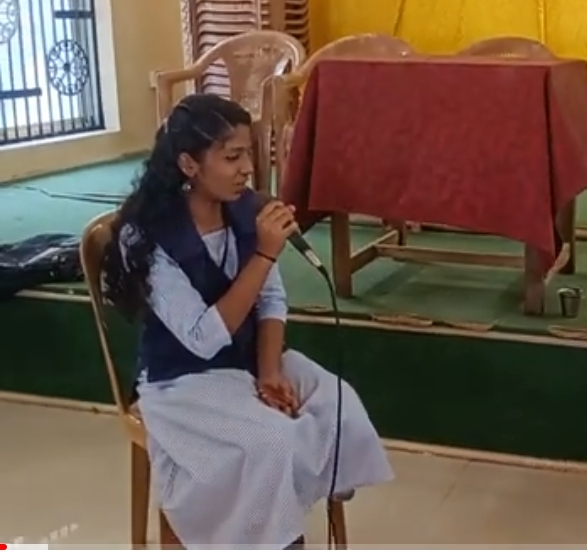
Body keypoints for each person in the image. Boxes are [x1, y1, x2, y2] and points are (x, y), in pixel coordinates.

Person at [101, 93, 393, 549]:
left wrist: (271, 370)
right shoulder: (146, 234)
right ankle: (275, 539)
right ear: (189, 164)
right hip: (182, 379)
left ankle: (283, 520)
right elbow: (202, 338)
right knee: (271, 441)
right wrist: (264, 253)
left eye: (248, 155)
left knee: (340, 405)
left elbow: (270, 298)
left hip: (248, 358)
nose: (246, 170)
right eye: (232, 157)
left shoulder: (244, 210)